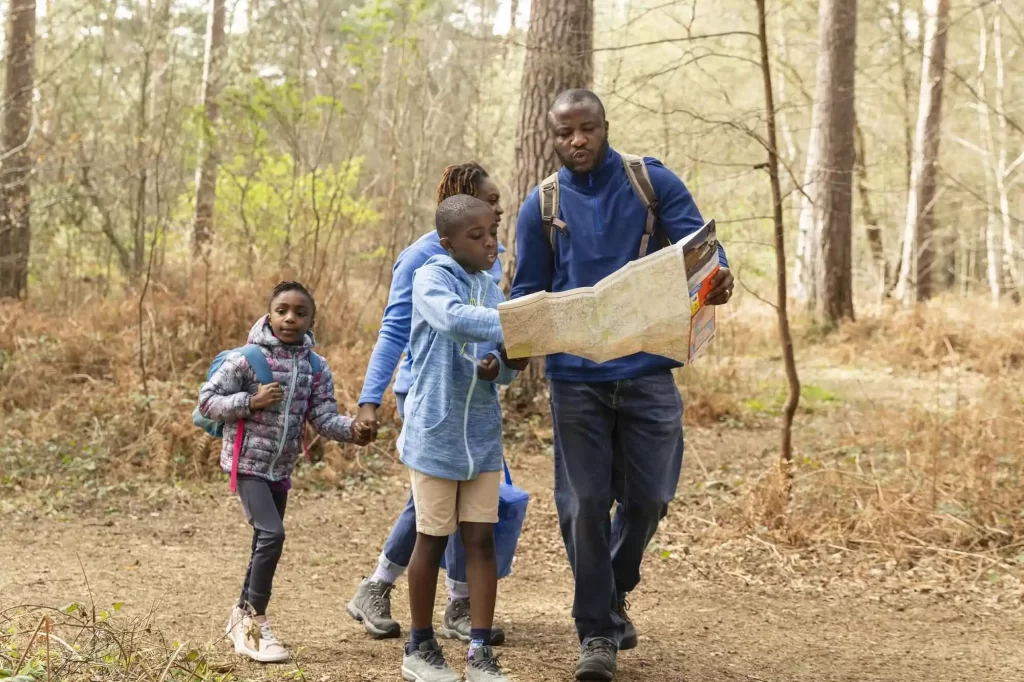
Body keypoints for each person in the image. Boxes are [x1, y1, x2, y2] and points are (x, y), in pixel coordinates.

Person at [510, 90, 735, 682]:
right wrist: (503, 350)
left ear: (605, 128)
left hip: (647, 371)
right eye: (565, 134)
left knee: (649, 499)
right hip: (575, 380)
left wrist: (719, 277)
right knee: (583, 504)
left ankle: (611, 593)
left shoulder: (650, 183)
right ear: (552, 137)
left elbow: (701, 253)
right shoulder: (542, 205)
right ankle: (596, 634)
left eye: (587, 129)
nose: (577, 141)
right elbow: (526, 292)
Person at [348, 162, 511, 645]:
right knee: (431, 508)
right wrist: (369, 400)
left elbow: (491, 320)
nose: (499, 211)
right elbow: (395, 330)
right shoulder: (421, 259)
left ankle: (453, 599)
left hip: (474, 398)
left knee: (457, 507)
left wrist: (503, 364)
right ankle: (385, 589)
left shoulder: (488, 254)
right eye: (491, 200)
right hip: (429, 391)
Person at [198, 281, 371, 663]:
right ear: (270, 313)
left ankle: (239, 619)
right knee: (272, 534)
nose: (290, 318)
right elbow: (207, 401)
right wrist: (250, 400)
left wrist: (353, 431)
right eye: (282, 311)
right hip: (246, 464)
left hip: (280, 468)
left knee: (264, 540)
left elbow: (323, 417)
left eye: (299, 312)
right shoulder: (246, 359)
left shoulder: (314, 365)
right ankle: (256, 624)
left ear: (312, 319)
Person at [399, 194, 526, 682]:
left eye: (492, 232)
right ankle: (420, 646)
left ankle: (478, 652)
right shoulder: (430, 277)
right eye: (476, 236)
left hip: (482, 438)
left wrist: (505, 364)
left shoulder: (491, 290)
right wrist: (516, 321)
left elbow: (506, 371)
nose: (489, 242)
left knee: (480, 539)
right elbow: (452, 320)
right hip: (435, 432)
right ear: (449, 242)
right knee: (431, 538)